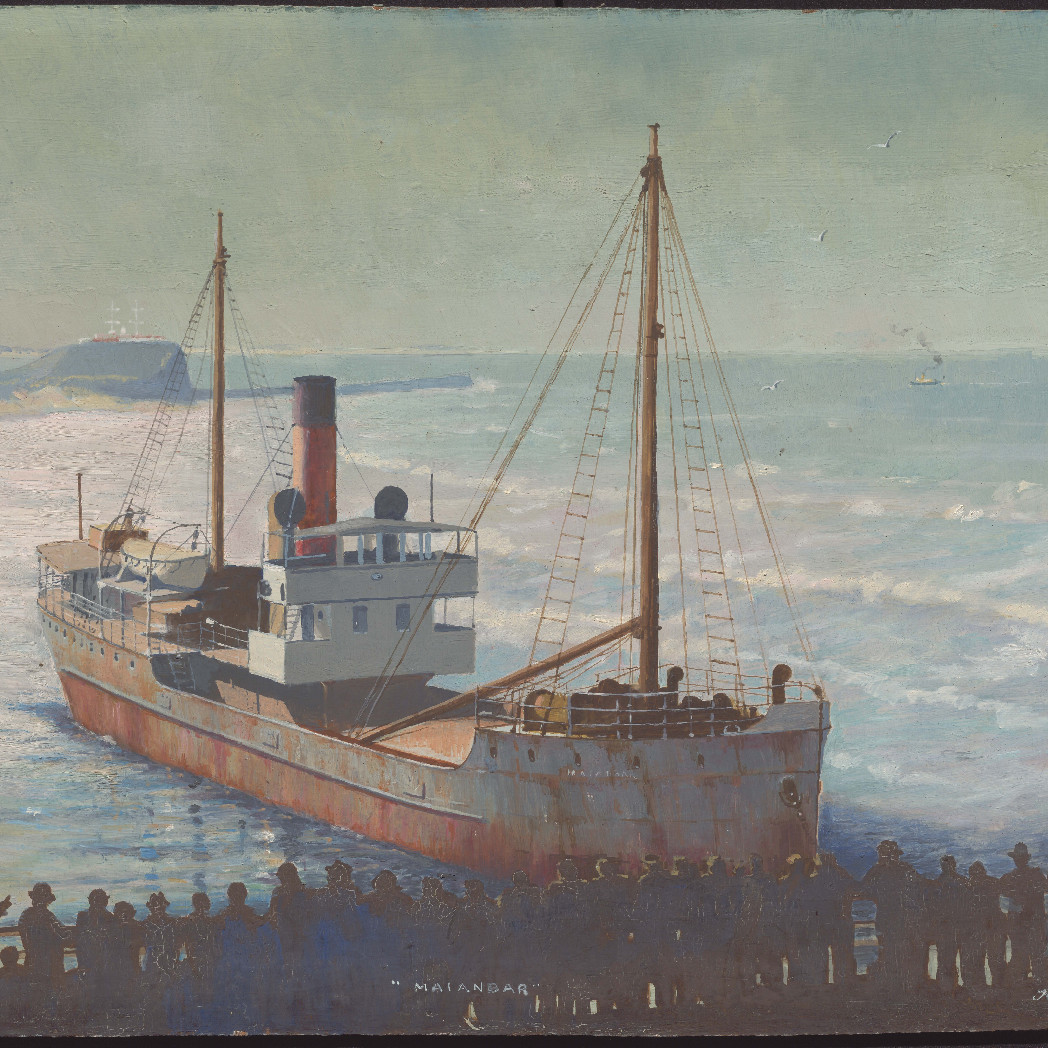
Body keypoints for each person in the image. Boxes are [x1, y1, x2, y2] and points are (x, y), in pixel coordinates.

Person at [860, 841, 928, 995]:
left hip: (891, 917)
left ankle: (895, 987)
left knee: (890, 951)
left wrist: (877, 895)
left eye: (882, 854)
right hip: (898, 918)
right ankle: (902, 986)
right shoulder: (905, 869)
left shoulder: (878, 871)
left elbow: (863, 889)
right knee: (899, 951)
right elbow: (921, 887)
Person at [998, 842, 1048, 988]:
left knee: (1029, 955)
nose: (1018, 860)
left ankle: (1032, 986)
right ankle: (1035, 987)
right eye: (1017, 858)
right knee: (1031, 956)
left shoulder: (1012, 877)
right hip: (1027, 924)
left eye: (1019, 858)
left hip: (1027, 924)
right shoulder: (1035, 875)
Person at [962, 862, 1006, 993]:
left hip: (988, 926)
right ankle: (996, 986)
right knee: (991, 958)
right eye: (975, 873)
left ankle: (991, 986)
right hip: (987, 926)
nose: (976, 876)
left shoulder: (969, 885)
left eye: (977, 873)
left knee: (989, 957)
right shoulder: (992, 882)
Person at [927, 856, 968, 992]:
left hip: (959, 926)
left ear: (954, 865)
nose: (948, 867)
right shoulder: (937, 884)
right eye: (945, 865)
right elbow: (932, 908)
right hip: (945, 928)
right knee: (945, 960)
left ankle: (956, 988)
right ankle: (947, 989)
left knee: (962, 959)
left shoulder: (963, 882)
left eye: (950, 865)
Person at [17, 883, 70, 985]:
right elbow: (62, 935)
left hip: (36, 963)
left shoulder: (28, 915)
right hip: (48, 964)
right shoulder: (46, 916)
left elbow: (62, 932)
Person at [74, 889, 113, 1010]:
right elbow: (78, 940)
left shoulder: (109, 917)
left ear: (105, 902)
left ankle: (101, 1013)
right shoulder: (82, 916)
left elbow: (113, 940)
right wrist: (81, 962)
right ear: (90, 901)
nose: (97, 903)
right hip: (87, 956)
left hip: (104, 957)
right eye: (94, 900)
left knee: (103, 986)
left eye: (101, 900)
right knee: (87, 986)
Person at [141, 892, 180, 982]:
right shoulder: (145, 924)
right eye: (155, 907)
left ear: (164, 907)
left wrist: (175, 959)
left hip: (170, 959)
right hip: (153, 960)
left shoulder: (172, 922)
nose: (158, 910)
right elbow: (144, 946)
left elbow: (177, 943)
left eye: (161, 907)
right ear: (151, 908)